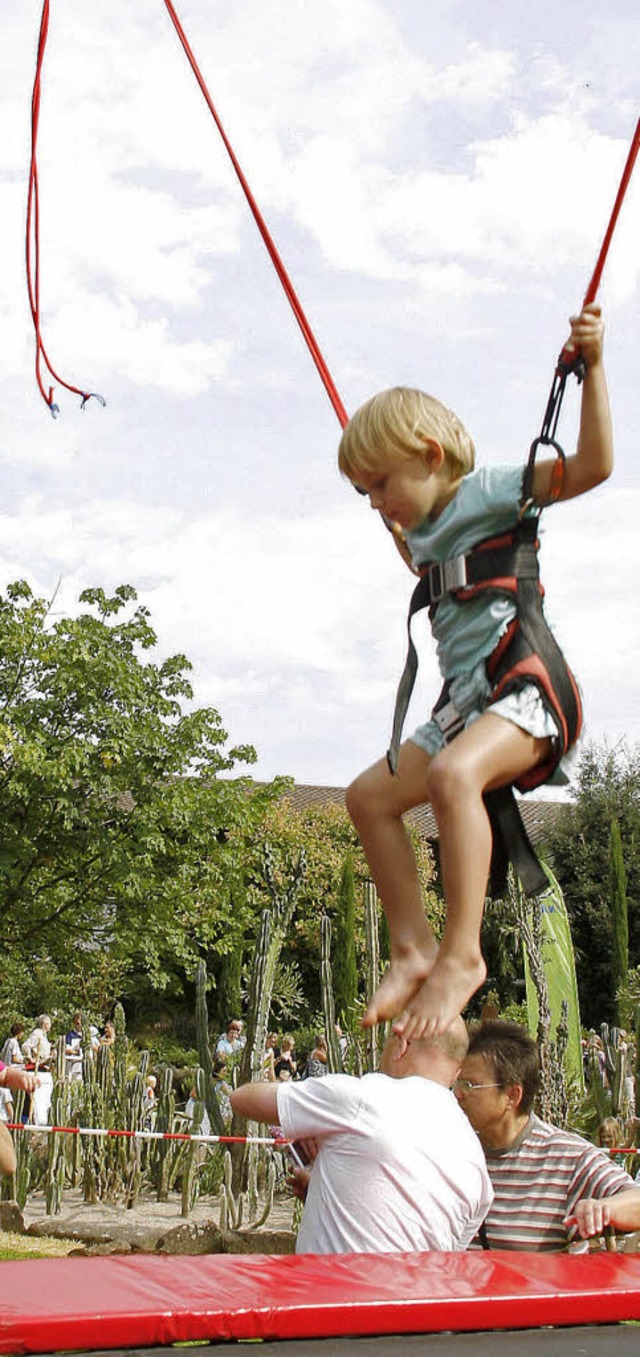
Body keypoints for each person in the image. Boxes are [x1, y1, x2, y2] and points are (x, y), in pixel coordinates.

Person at [339, 303, 612, 1039]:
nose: (377, 504)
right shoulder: (422, 531)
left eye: (381, 483)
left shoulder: (494, 488)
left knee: (453, 777)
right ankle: (412, 944)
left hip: (527, 690)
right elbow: (424, 551)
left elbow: (594, 466)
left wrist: (593, 370)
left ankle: (464, 954)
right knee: (367, 798)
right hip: (467, 703)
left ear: (430, 455)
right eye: (365, 492)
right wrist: (401, 528)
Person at [231, 1017, 492, 1254]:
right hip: (421, 1303)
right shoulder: (476, 1161)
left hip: (337, 1301)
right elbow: (423, 1236)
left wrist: (320, 1123)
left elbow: (242, 1099)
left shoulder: (361, 1098)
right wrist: (321, 1185)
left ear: (402, 1043)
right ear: (457, 1073)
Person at [454, 1020, 640, 1251]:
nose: (458, 1094)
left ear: (512, 1095)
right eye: (457, 1083)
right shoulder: (453, 1154)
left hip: (531, 1286)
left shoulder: (568, 1158)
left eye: (470, 1085)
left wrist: (604, 1209)